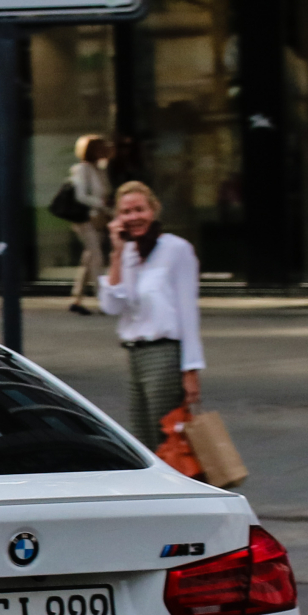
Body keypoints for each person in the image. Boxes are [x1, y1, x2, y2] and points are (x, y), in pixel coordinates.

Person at [97, 181, 202, 440]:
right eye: (126, 212)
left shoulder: (176, 249)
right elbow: (111, 306)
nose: (133, 217)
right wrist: (117, 255)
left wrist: (190, 371)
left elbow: (189, 313)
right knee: (143, 437)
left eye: (139, 209)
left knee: (166, 437)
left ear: (154, 210)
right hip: (135, 355)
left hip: (164, 354)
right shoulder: (128, 252)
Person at [64, 134, 114, 315]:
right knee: (97, 257)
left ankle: (76, 298)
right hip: (85, 219)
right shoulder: (81, 169)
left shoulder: (100, 168)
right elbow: (81, 196)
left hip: (98, 218)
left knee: (89, 259)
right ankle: (103, 300)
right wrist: (102, 205)